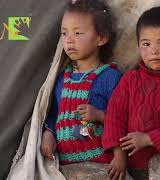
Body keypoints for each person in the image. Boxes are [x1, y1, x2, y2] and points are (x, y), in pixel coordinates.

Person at [102, 7, 160, 180]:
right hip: (126, 164)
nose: (154, 50)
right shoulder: (130, 79)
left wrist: (148, 139)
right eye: (146, 44)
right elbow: (115, 115)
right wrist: (119, 155)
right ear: (138, 46)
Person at [40, 0, 122, 165]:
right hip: (64, 165)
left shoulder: (110, 77)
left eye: (78, 33)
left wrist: (99, 115)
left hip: (100, 162)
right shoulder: (62, 78)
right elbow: (55, 113)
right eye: (64, 33)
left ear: (101, 38)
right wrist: (49, 134)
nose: (69, 40)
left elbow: (122, 119)